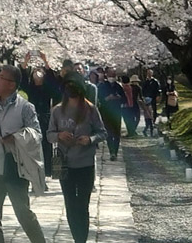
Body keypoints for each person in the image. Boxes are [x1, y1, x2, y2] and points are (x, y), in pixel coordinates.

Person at [0, 65, 47, 243]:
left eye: (2, 78)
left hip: (15, 168)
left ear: (12, 85)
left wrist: (15, 138)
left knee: (23, 213)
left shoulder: (25, 107)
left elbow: (37, 134)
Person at [46, 78, 107, 243]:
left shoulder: (91, 110)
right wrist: (59, 135)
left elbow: (102, 132)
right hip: (63, 161)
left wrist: (90, 139)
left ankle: (82, 239)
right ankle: (77, 238)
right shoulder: (57, 111)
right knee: (70, 203)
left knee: (82, 204)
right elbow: (49, 135)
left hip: (85, 162)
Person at [20, 51, 61, 176]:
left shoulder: (48, 88)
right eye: (35, 71)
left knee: (46, 146)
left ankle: (46, 171)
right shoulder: (30, 87)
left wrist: (45, 61)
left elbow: (54, 81)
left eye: (40, 71)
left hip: (45, 118)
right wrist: (25, 62)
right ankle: (34, 172)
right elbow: (22, 80)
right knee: (32, 147)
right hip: (31, 119)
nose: (38, 73)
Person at [97, 67, 125, 160]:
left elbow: (124, 99)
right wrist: (107, 98)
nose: (112, 77)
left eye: (113, 75)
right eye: (110, 75)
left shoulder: (118, 86)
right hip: (106, 112)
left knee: (117, 133)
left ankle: (115, 152)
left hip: (117, 112)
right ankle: (111, 151)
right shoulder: (102, 86)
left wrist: (118, 97)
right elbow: (99, 99)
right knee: (108, 132)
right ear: (106, 75)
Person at [141, 69, 161, 136]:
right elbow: (143, 90)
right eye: (148, 73)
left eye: (150, 73)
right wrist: (143, 97)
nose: (149, 74)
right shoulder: (145, 81)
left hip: (153, 97)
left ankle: (153, 121)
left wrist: (158, 96)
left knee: (153, 109)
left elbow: (158, 89)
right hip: (147, 98)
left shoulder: (155, 81)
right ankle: (148, 124)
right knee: (147, 111)